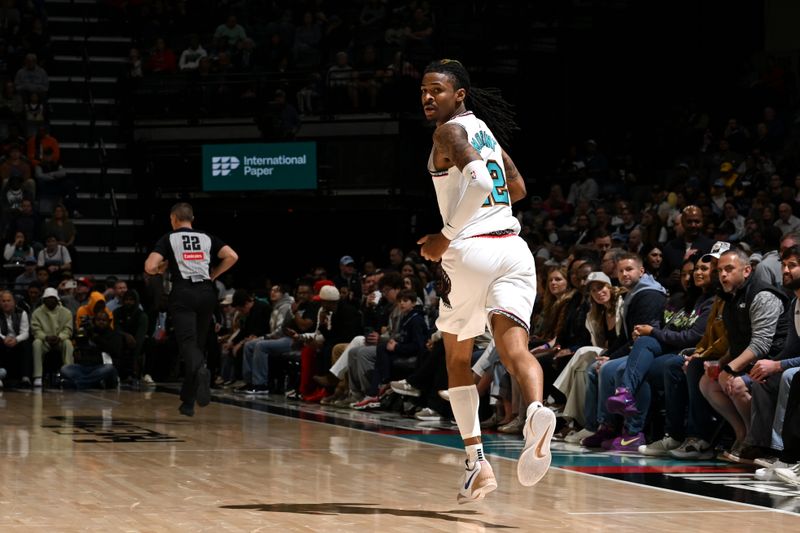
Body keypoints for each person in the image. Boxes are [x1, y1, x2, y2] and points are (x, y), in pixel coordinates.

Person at [417, 59, 555, 503]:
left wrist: (444, 235)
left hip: (472, 250)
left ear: (459, 95)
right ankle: (536, 409)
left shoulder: (448, 133)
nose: (427, 97)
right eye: (423, 90)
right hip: (514, 249)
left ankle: (476, 462)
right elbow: (515, 188)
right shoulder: (486, 134)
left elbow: (477, 179)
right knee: (515, 349)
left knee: (457, 357)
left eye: (436, 90)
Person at [144, 203, 238, 417]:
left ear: (173, 218)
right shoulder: (207, 237)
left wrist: (161, 267)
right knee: (197, 346)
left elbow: (149, 267)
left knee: (188, 345)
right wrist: (213, 274)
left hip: (183, 292)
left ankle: (201, 370)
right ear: (192, 218)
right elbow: (232, 256)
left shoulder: (169, 238)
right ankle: (188, 400)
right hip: (207, 292)